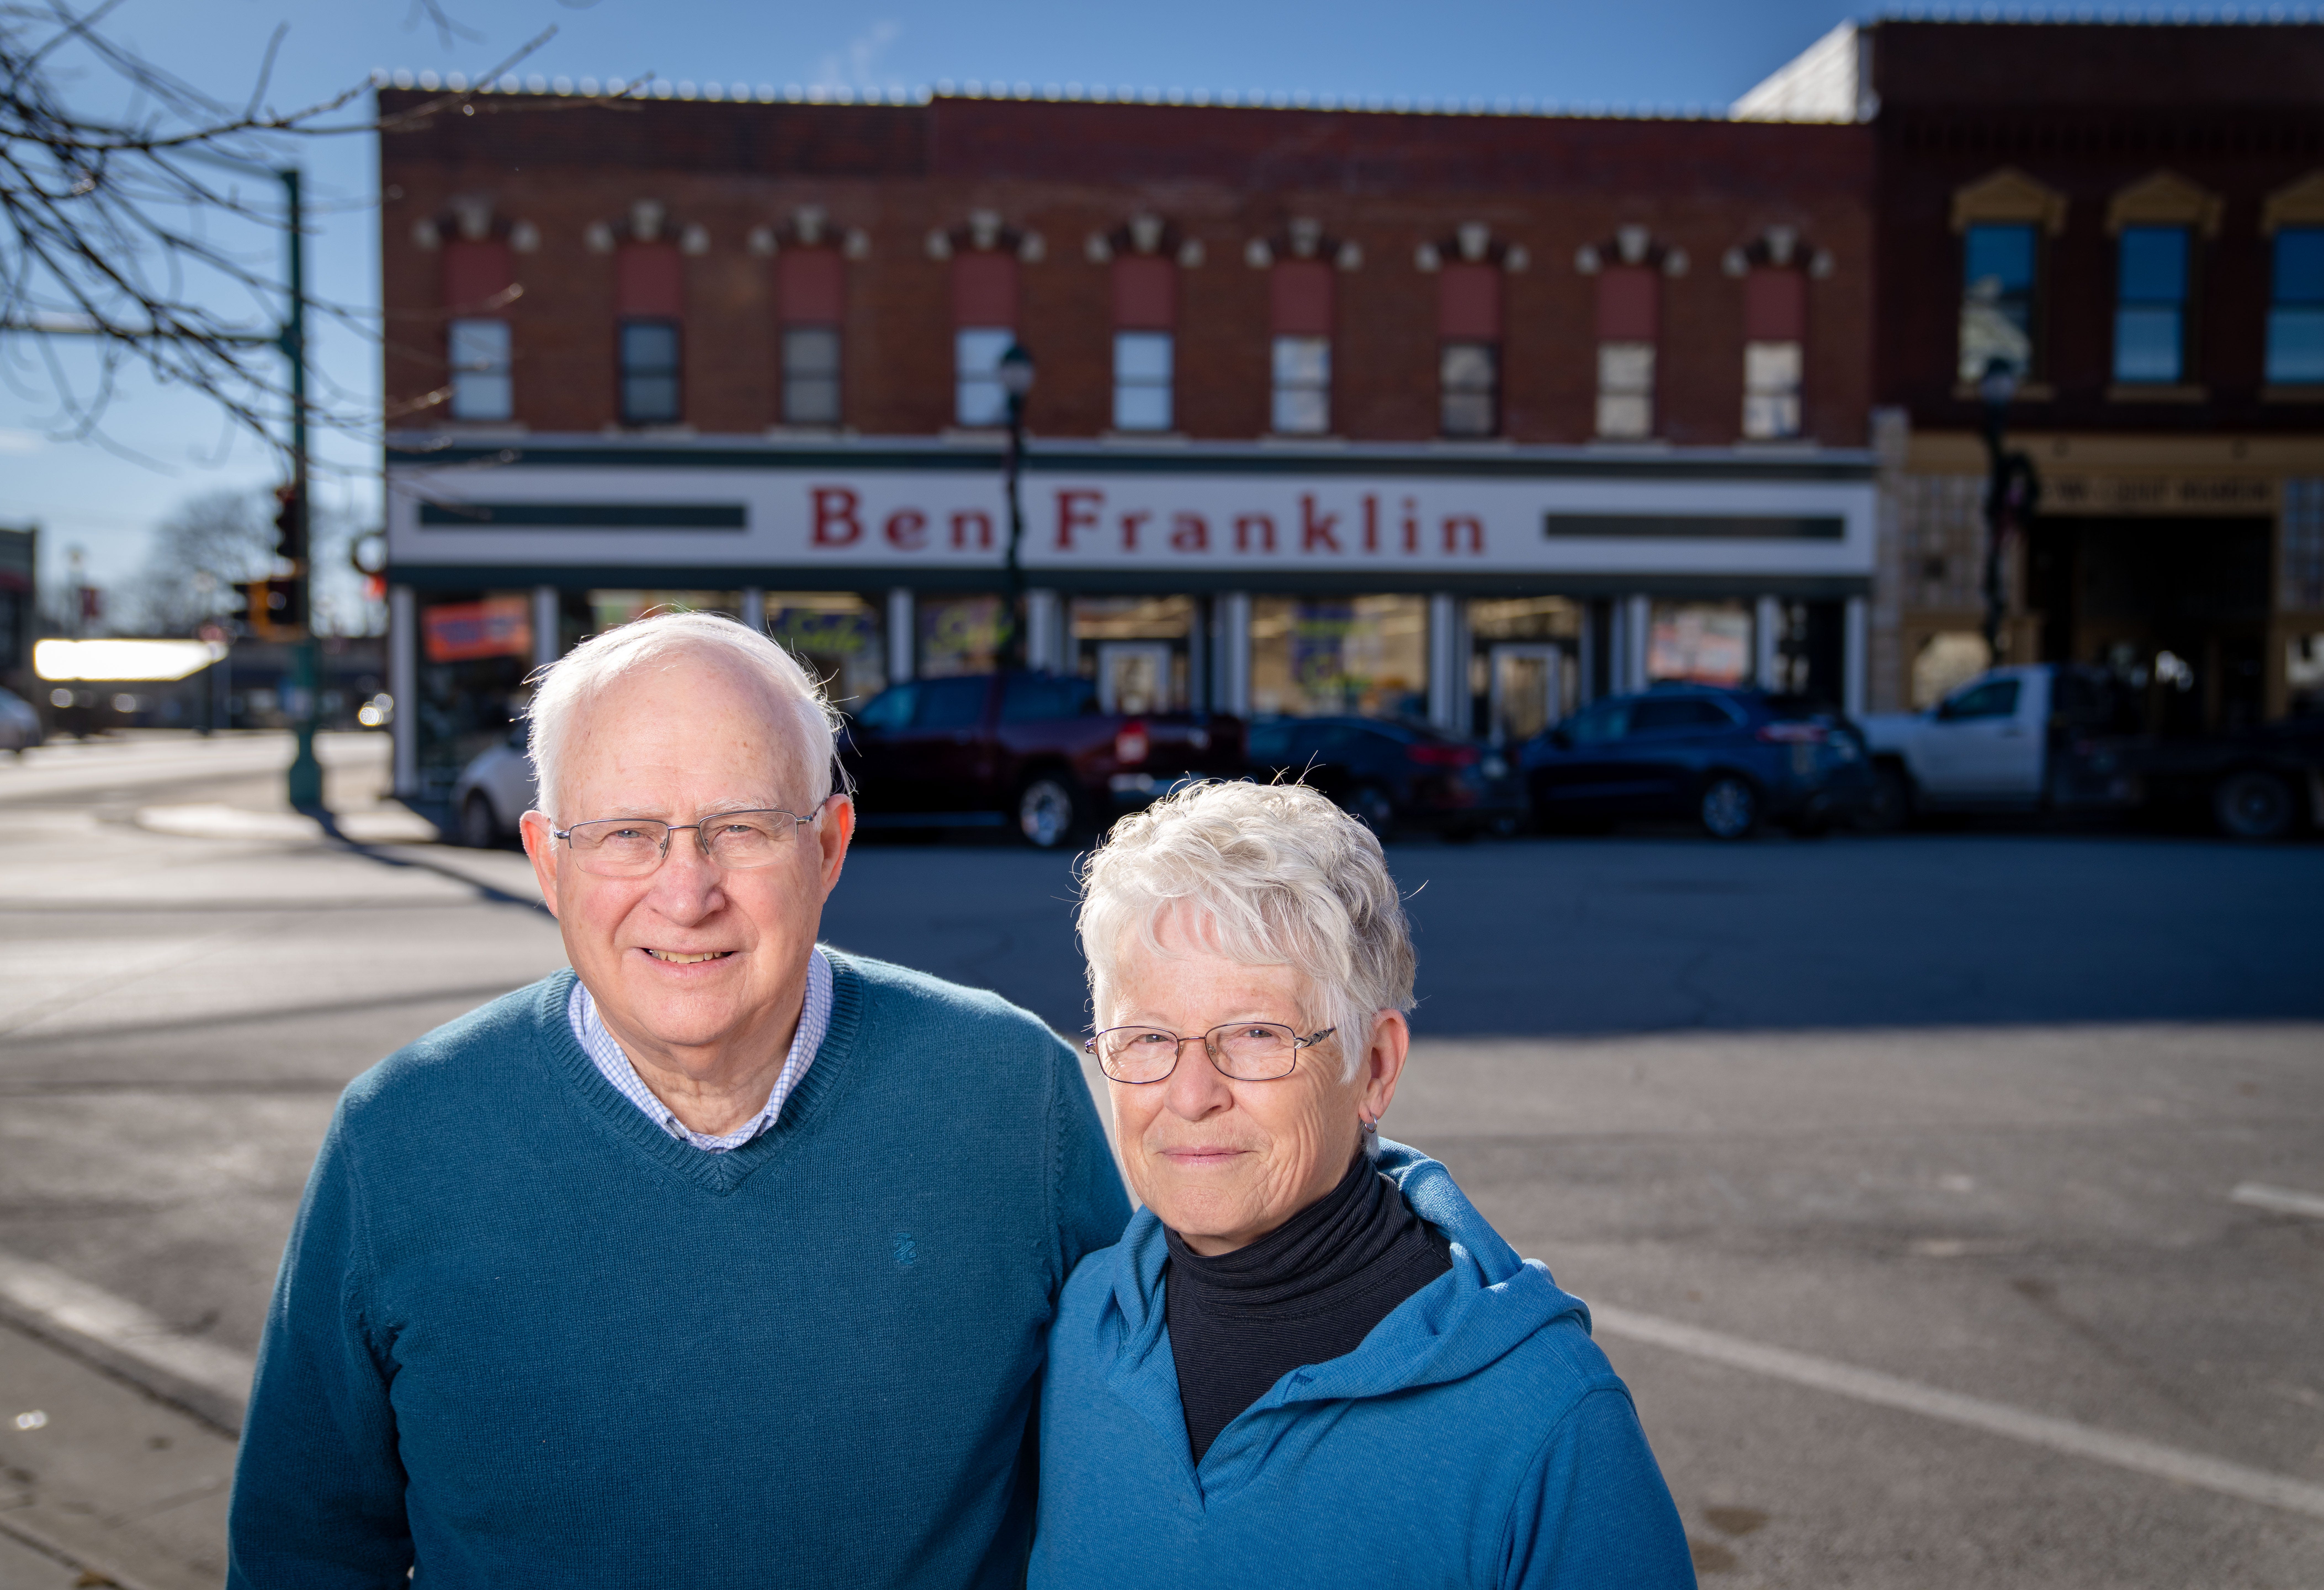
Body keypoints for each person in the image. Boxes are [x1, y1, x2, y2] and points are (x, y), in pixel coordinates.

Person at [228, 611, 1129, 1588]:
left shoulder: (1014, 1094)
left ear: (829, 848)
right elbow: (302, 1554)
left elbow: (1125, 1487)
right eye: (626, 834)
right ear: (548, 863)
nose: (687, 893)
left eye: (741, 829)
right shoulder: (399, 1138)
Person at [1030, 780, 1696, 1590]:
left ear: (1374, 1067)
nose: (1192, 1095)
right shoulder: (1076, 1330)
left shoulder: (1548, 1420)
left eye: (1256, 1034)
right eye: (1146, 1038)